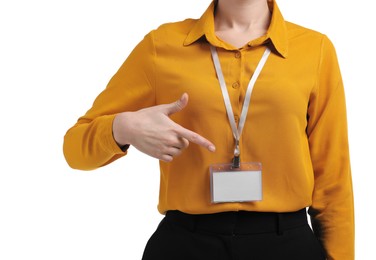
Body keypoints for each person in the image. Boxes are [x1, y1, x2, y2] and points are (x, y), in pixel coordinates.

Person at [63, 0, 354, 259]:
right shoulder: (161, 45)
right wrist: (123, 128)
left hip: (287, 244)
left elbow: (333, 176)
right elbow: (74, 149)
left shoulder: (315, 50)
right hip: (185, 243)